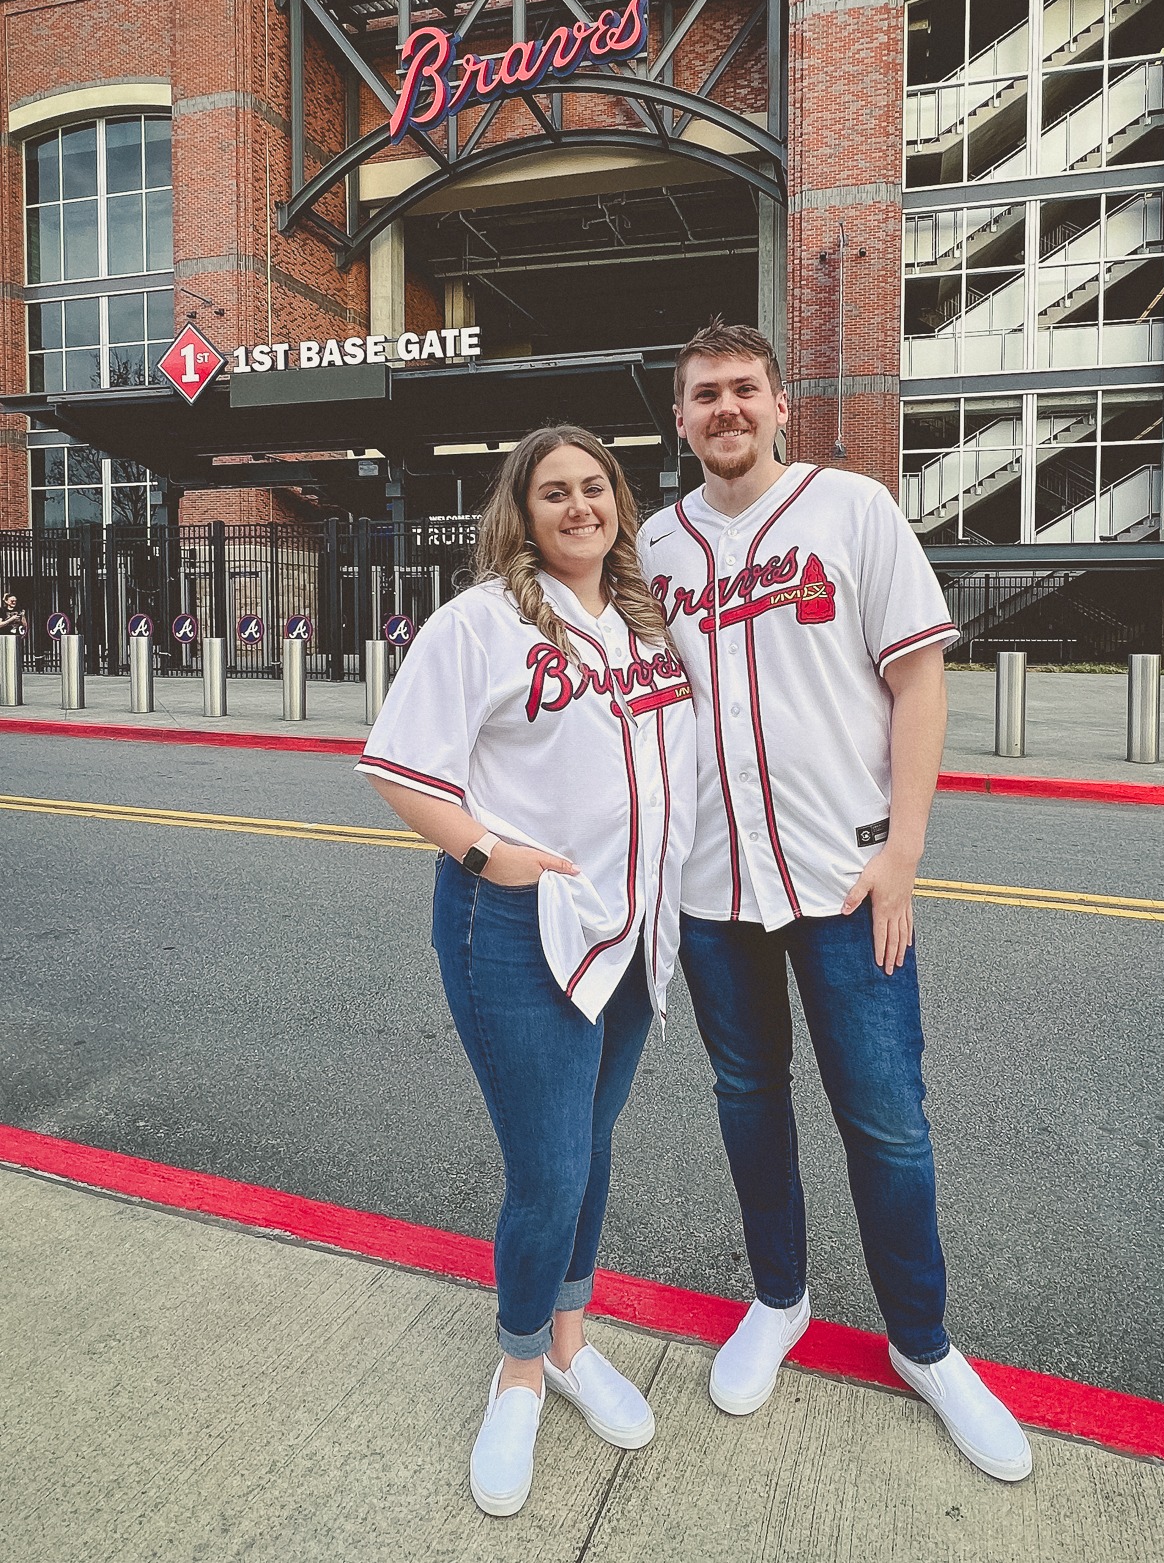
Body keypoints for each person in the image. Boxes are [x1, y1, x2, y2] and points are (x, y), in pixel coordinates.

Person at [637, 321, 1032, 1483]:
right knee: (747, 1095)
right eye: (702, 394)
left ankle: (923, 1344)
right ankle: (778, 1298)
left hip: (846, 875)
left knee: (885, 1118)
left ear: (779, 404)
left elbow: (918, 683)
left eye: (742, 390)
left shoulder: (851, 510)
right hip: (713, 884)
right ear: (679, 416)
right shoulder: (652, 545)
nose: (725, 409)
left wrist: (904, 853)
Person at [359, 425, 696, 1518]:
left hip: (629, 923)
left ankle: (565, 1342)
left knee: (590, 1150)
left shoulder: (645, 622)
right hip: (516, 924)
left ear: (618, 501)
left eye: (594, 486)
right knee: (547, 1168)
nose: (578, 506)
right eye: (554, 492)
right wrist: (486, 852)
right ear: (522, 509)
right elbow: (400, 767)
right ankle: (513, 1371)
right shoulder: (479, 623)